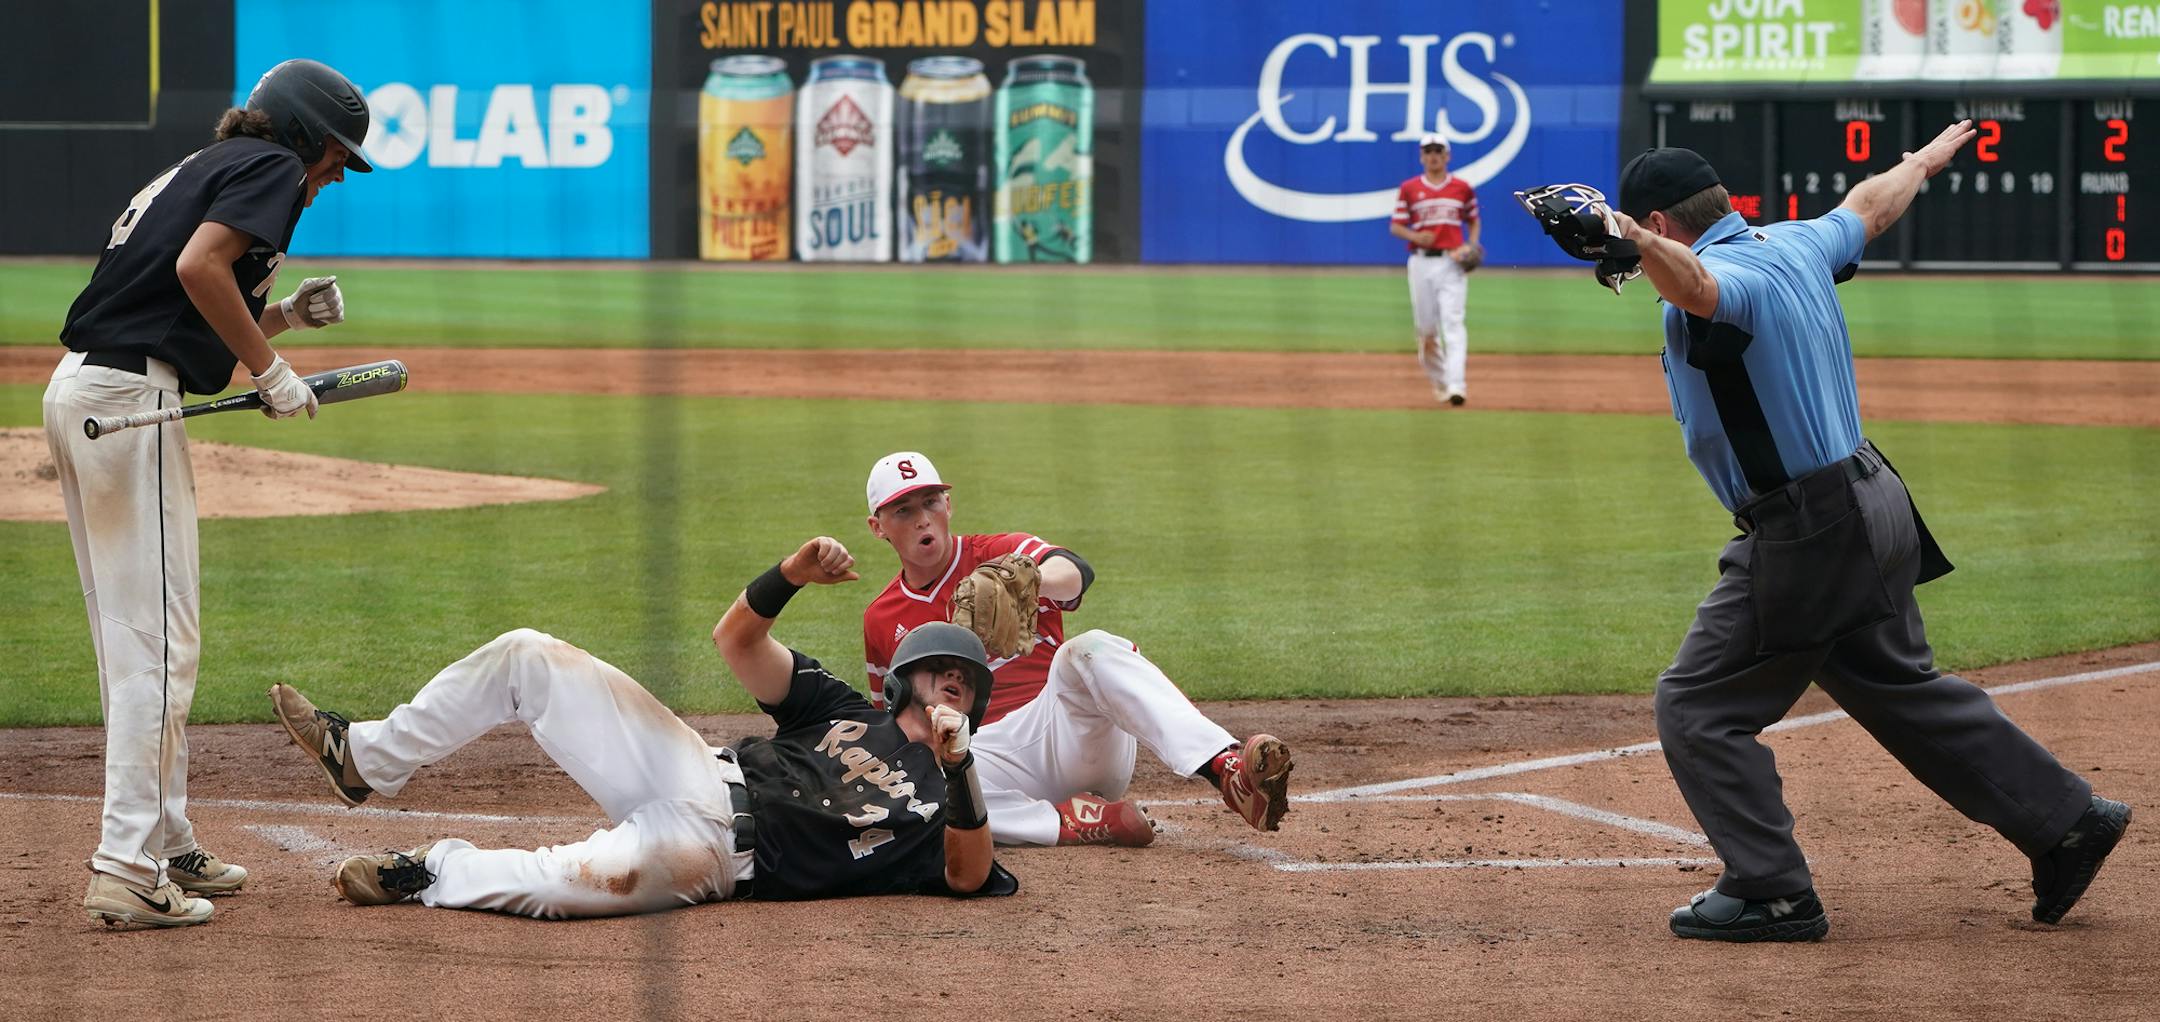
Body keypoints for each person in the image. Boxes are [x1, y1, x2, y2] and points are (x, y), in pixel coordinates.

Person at [1607, 125, 2131, 942]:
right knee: (1893, 684)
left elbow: (1700, 287)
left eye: (1643, 231)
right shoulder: (1794, 242)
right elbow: (1868, 208)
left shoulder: (1731, 271)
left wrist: (1633, 240)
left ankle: (1770, 890)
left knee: (1698, 707)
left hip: (1811, 529)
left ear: (1663, 225)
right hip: (1871, 498)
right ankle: (2067, 821)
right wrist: (1919, 162)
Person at [266, 536, 1016, 918]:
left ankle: (432, 871)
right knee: (531, 654)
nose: (957, 680)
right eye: (944, 668)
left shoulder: (953, 796)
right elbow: (738, 643)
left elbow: (969, 876)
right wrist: (788, 573)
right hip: (692, 767)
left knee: (567, 886)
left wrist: (958, 767)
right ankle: (363, 756)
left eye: (969, 680)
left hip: (717, 859)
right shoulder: (846, 710)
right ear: (905, 678)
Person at [52, 58, 371, 928]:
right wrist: (275, 372)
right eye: (336, 155)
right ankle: (125, 867)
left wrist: (282, 322)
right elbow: (201, 270)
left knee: (143, 641)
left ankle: (164, 836)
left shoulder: (207, 166)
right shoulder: (269, 167)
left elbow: (185, 315)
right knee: (157, 647)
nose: (335, 175)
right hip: (125, 406)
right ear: (302, 135)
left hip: (90, 393)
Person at [860, 451, 1293, 848]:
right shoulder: (881, 618)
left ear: (948, 506)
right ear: (878, 527)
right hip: (984, 763)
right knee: (920, 771)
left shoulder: (999, 555)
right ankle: (1075, 822)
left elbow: (1075, 571)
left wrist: (1031, 582)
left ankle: (1225, 769)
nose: (923, 519)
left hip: (1064, 731)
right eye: (904, 510)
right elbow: (894, 726)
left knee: (1090, 648)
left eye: (932, 502)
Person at [1388, 132, 1480, 406]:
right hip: (1420, 262)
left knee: (1453, 323)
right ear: (1421, 157)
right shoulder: (1409, 188)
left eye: (1438, 151)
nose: (1433, 156)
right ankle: (1441, 382)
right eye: (1428, 151)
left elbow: (1473, 220)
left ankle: (1457, 386)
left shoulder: (1462, 188)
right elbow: (1396, 226)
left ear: (1447, 156)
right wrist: (1415, 237)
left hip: (1452, 263)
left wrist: (1470, 245)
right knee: (1426, 331)